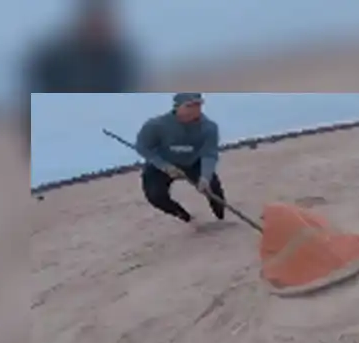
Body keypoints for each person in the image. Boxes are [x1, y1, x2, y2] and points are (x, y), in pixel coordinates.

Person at [21, 0, 140, 157]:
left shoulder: (119, 59)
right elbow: (32, 101)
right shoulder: (54, 58)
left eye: (104, 23)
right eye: (94, 23)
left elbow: (126, 102)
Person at [135, 93, 227, 223]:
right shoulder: (155, 125)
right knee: (155, 196)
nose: (195, 110)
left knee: (214, 189)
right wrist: (164, 166)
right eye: (189, 106)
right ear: (177, 107)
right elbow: (143, 148)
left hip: (193, 162)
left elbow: (209, 154)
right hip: (162, 164)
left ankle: (221, 218)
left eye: (198, 105)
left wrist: (205, 177)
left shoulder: (209, 127)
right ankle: (184, 216)